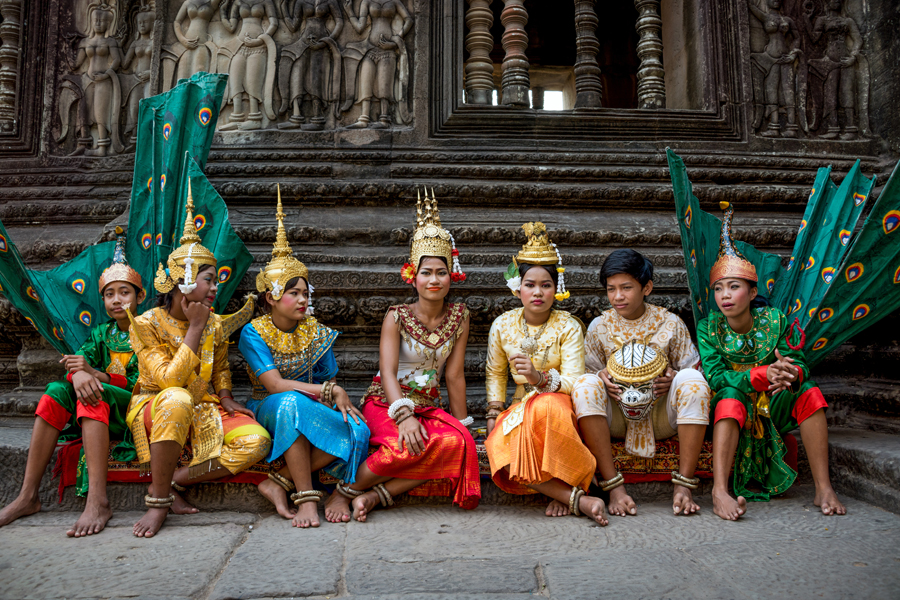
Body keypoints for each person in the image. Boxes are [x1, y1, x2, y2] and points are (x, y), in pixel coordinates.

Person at [125, 183, 271, 537]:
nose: (215, 288)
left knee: (257, 441)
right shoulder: (145, 324)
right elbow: (169, 382)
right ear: (183, 283)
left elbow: (220, 365)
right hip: (154, 404)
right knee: (177, 398)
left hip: (204, 405)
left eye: (216, 280)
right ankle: (158, 501)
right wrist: (194, 329)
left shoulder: (214, 322)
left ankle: (174, 480)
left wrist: (225, 397)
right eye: (209, 280)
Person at [334, 190, 480, 521]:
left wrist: (462, 424)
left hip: (429, 406)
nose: (434, 280)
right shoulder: (396, 315)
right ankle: (344, 493)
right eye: (426, 272)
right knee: (406, 445)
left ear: (451, 275)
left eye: (441, 272)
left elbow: (454, 375)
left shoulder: (460, 316)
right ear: (412, 275)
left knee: (457, 444)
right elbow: (387, 372)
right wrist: (403, 415)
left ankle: (375, 496)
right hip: (386, 402)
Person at [698, 203, 845, 520]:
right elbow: (716, 377)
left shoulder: (776, 320)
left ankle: (823, 486)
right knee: (730, 397)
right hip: (731, 409)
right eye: (719, 288)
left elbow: (801, 364)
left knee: (809, 391)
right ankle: (719, 491)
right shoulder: (708, 327)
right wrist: (762, 374)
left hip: (772, 407)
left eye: (734, 287)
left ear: (752, 293)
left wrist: (789, 374)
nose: (725, 295)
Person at [0, 229, 144, 536]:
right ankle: (27, 495)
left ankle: (98, 500)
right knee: (54, 392)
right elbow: (77, 360)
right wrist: (79, 372)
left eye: (124, 292)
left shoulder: (149, 331)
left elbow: (142, 382)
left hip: (132, 407)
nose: (116, 300)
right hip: (99, 400)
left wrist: (95, 374)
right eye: (109, 294)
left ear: (140, 296)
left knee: (94, 394)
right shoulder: (100, 334)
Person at [239, 189, 369, 528]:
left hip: (308, 403)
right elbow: (275, 384)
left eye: (304, 292)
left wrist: (334, 394)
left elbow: (328, 377)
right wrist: (329, 393)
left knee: (358, 428)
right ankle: (307, 498)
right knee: (289, 403)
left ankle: (277, 479)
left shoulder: (316, 330)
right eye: (293, 292)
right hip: (269, 405)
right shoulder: (253, 333)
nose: (301, 299)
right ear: (271, 296)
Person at [571, 249, 710, 517]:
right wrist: (599, 376)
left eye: (626, 287)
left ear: (646, 288)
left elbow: (693, 370)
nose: (617, 296)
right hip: (616, 419)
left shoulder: (670, 323)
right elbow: (585, 373)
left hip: (662, 418)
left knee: (692, 380)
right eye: (611, 289)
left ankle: (683, 486)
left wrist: (672, 379)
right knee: (585, 384)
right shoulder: (599, 326)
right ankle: (614, 487)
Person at [484, 222, 607, 526]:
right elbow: (495, 373)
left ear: (557, 288)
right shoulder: (502, 325)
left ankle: (561, 491)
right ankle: (573, 496)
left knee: (548, 407)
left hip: (558, 404)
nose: (538, 292)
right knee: (500, 446)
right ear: (518, 288)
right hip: (516, 408)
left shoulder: (568, 326)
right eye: (530, 284)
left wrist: (540, 380)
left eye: (546, 285)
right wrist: (492, 412)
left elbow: (576, 380)